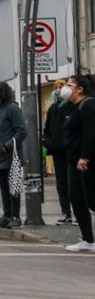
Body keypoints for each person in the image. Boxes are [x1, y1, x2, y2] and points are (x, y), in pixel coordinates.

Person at [0, 81, 27, 230]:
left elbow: (22, 131)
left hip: (10, 155)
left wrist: (7, 146)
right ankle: (7, 215)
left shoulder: (12, 108)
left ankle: (15, 216)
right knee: (3, 187)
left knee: (13, 186)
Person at [61, 75, 95, 253]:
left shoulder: (88, 104)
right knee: (76, 199)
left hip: (86, 162)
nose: (65, 88)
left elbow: (91, 132)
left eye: (69, 85)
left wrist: (85, 156)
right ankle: (88, 240)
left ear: (79, 89)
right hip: (73, 161)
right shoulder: (71, 107)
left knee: (91, 199)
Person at [44, 80, 73, 225]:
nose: (59, 89)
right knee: (61, 184)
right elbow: (47, 129)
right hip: (57, 151)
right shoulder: (53, 109)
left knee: (73, 183)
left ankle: (76, 213)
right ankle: (65, 213)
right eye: (56, 88)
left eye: (61, 87)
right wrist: (49, 142)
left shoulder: (73, 106)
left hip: (71, 151)